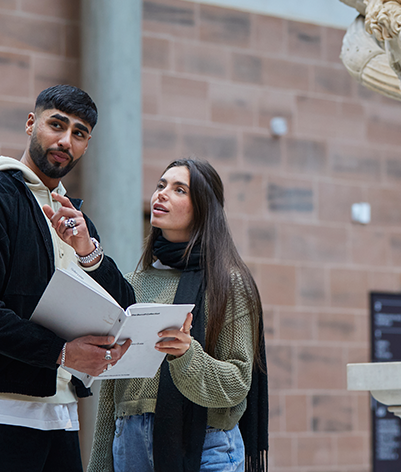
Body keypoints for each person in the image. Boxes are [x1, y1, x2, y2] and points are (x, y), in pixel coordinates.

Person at [0, 84, 137, 471]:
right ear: (31, 123)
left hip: (61, 413)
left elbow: (123, 308)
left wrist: (88, 252)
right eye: (57, 125)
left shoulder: (76, 221)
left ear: (86, 145)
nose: (66, 140)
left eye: (79, 134)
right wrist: (61, 352)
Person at [86, 158, 268, 472]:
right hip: (129, 443)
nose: (162, 194)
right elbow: (113, 388)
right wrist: (99, 465)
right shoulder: (133, 283)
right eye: (160, 185)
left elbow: (238, 382)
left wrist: (186, 355)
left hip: (208, 444)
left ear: (202, 208)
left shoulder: (229, 282)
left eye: (178, 189)